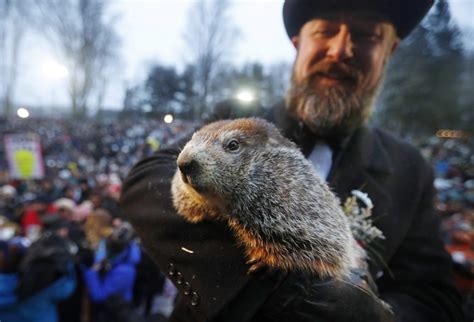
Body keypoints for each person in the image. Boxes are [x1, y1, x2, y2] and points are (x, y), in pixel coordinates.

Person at [120, 0, 464, 321]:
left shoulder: (411, 168)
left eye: (366, 35)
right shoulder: (235, 117)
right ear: (299, 42)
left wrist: (367, 315)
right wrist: (273, 291)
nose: (340, 49)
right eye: (325, 30)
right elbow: (146, 182)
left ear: (390, 50)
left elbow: (433, 297)